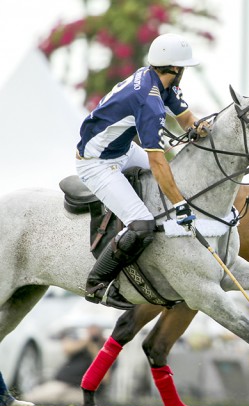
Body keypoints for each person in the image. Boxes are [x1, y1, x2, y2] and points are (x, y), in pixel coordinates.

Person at [76, 33, 209, 309]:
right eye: (183, 68)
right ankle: (97, 284)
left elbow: (186, 119)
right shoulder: (148, 101)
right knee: (142, 225)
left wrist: (199, 127)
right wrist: (179, 204)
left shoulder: (158, 80)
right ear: (174, 68)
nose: (184, 72)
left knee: (173, 177)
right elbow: (158, 162)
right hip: (96, 162)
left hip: (121, 150)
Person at [23, 325, 105, 406]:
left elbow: (105, 378)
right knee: (31, 398)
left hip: (81, 391)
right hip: (61, 384)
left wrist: (95, 351)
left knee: (77, 401)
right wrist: (86, 342)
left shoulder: (105, 352)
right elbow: (67, 348)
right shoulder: (81, 345)